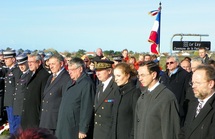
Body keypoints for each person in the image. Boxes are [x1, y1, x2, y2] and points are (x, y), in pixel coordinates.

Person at [135, 61, 180, 139]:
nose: (140, 79)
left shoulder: (167, 98)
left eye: (143, 75)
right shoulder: (142, 96)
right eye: (138, 75)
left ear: (153, 75)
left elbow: (170, 131)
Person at [56, 57, 95, 139]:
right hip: (64, 125)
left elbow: (87, 108)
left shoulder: (86, 84)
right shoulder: (71, 82)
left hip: (74, 127)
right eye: (68, 69)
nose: (69, 72)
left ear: (80, 69)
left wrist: (83, 129)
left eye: (72, 70)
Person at [179, 65, 215, 139]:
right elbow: (184, 131)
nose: (193, 86)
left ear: (210, 84)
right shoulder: (192, 104)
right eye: (192, 83)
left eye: (198, 83)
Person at [39, 54, 70, 134]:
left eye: (53, 64)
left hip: (54, 121)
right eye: (49, 64)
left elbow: (65, 101)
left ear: (61, 64)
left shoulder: (66, 78)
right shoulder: (51, 77)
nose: (51, 66)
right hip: (46, 119)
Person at [21, 53, 50, 129]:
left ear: (39, 62)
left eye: (32, 62)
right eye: (28, 62)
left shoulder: (44, 76)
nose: (29, 64)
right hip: (26, 113)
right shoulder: (29, 74)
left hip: (35, 115)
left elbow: (43, 98)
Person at [112, 63, 141, 139]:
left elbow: (137, 119)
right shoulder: (117, 92)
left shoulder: (135, 93)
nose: (115, 79)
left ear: (127, 76)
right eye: (115, 76)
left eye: (118, 76)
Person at [160, 55, 191, 125]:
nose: (169, 65)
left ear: (177, 63)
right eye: (167, 63)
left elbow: (188, 92)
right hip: (165, 109)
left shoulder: (185, 75)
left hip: (178, 110)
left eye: (171, 62)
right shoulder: (164, 76)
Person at [93, 59, 119, 139]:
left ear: (109, 71)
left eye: (100, 70)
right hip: (98, 131)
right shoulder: (100, 86)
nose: (97, 73)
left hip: (109, 132)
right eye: (96, 70)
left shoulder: (116, 86)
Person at [3, 50, 21, 134]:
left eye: (7, 58)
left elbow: (18, 87)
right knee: (11, 124)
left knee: (15, 126)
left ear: (13, 59)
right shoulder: (9, 71)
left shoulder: (17, 71)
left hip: (14, 103)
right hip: (9, 102)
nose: (5, 60)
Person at [13, 53, 31, 133]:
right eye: (19, 65)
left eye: (23, 64)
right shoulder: (21, 75)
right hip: (17, 108)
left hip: (23, 108)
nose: (21, 66)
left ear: (27, 63)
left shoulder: (29, 75)